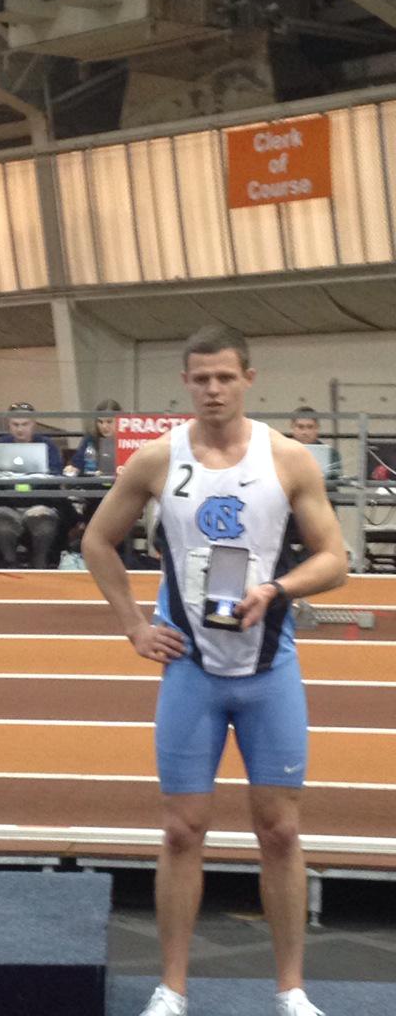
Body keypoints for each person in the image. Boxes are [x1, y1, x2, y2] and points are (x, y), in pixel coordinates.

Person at [82, 324, 347, 1016]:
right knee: (181, 830)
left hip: (268, 669)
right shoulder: (157, 461)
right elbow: (97, 540)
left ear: (248, 379)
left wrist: (277, 590)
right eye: (200, 378)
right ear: (185, 383)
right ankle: (172, 988)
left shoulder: (288, 459)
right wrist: (136, 625)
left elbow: (335, 560)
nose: (213, 389)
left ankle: (291, 989)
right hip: (193, 670)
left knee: (282, 832)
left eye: (225, 377)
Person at [0, 401, 68, 568]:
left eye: (25, 424)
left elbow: (56, 476)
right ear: (9, 425)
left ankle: (40, 562)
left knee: (44, 522)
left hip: (40, 504)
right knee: (1, 520)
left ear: (34, 424)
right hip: (6, 503)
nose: (20, 429)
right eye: (15, 425)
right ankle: (10, 562)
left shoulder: (47, 446)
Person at [64, 398, 122, 477]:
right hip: (95, 485)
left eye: (109, 421)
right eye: (100, 422)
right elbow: (77, 462)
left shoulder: (127, 440)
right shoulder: (91, 438)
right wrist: (72, 468)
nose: (104, 426)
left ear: (120, 420)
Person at [288, 406, 342, 478]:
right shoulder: (281, 451)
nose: (305, 432)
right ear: (292, 427)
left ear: (317, 428)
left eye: (310, 427)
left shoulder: (331, 454)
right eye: (300, 427)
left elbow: (335, 483)